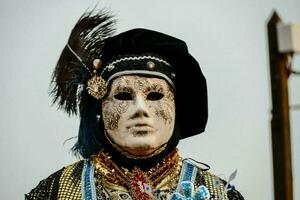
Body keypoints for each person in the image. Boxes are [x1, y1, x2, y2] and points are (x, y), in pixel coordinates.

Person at [26, 9, 244, 200]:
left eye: (155, 95)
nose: (140, 109)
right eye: (123, 95)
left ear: (177, 107)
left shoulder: (218, 194)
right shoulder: (56, 192)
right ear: (100, 107)